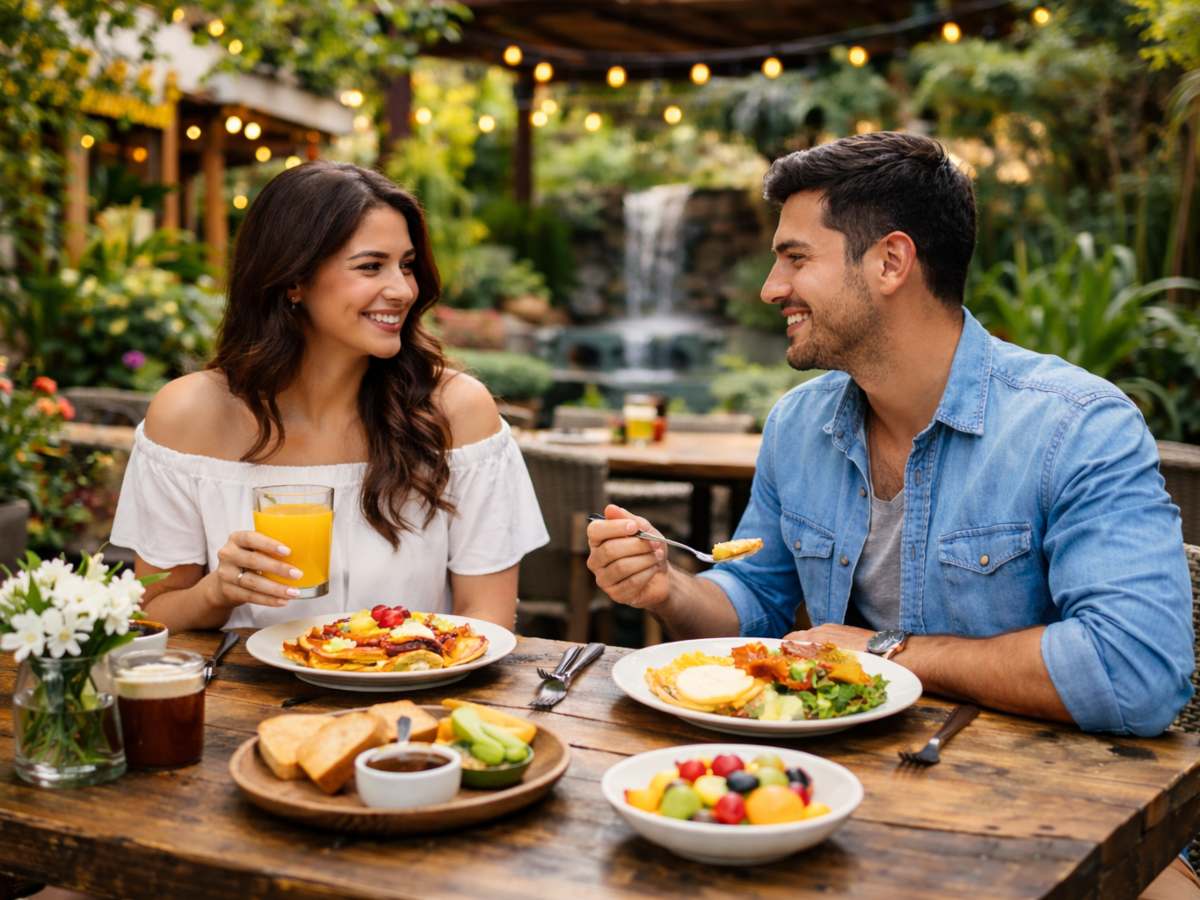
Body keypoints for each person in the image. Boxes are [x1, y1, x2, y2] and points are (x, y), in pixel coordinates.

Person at [588, 131, 1197, 894]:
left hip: (1045, 824)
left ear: (890, 262)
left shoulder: (1076, 427)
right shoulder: (797, 425)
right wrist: (666, 589)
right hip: (833, 803)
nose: (772, 288)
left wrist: (883, 651)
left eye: (796, 257)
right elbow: (758, 601)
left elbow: (1134, 669)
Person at [111, 162, 548, 632]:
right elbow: (151, 616)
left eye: (406, 266)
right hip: (242, 700)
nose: (402, 289)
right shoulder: (188, 416)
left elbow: (487, 618)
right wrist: (216, 592)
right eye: (370, 266)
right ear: (293, 279)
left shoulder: (456, 413)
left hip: (413, 697)